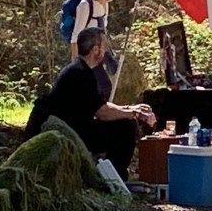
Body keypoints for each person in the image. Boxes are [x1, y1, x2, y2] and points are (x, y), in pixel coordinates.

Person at [49, 27, 156, 181]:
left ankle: (111, 174)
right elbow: (103, 113)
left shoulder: (83, 69)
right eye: (104, 46)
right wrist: (134, 114)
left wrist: (129, 108)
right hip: (71, 131)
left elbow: (100, 104)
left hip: (78, 126)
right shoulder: (79, 73)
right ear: (95, 50)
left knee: (125, 122)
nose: (106, 51)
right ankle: (115, 178)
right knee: (126, 128)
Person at [69, 0, 119, 101]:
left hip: (100, 52)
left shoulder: (105, 5)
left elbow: (103, 29)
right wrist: (75, 63)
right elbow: (76, 35)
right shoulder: (85, 5)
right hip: (87, 55)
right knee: (101, 87)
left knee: (103, 88)